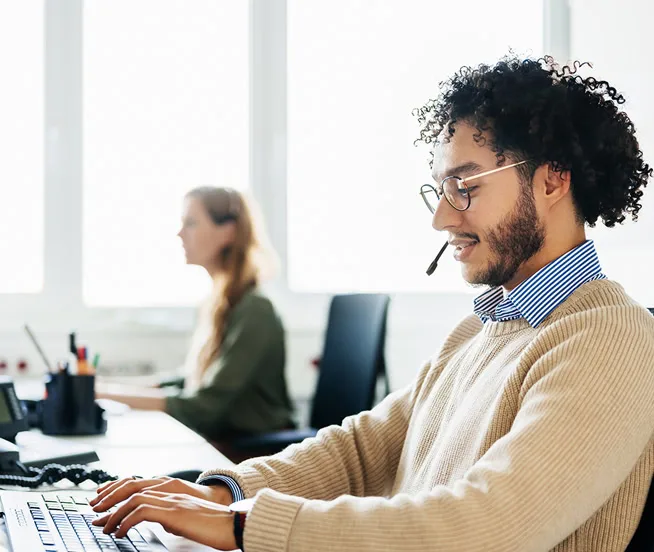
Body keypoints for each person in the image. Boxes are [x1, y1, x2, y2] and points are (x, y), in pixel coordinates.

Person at [90, 56, 654, 552]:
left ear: (553, 181)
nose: (441, 217)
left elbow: (484, 527)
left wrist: (241, 526)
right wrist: (221, 491)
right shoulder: (481, 331)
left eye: (467, 186)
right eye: (440, 189)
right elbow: (361, 452)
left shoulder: (610, 338)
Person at [96, 187, 294, 445]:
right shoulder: (221, 302)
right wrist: (107, 388)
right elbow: (190, 379)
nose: (180, 233)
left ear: (228, 232)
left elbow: (203, 408)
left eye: (190, 223)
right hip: (225, 440)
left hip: (252, 449)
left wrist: (106, 393)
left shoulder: (255, 310)